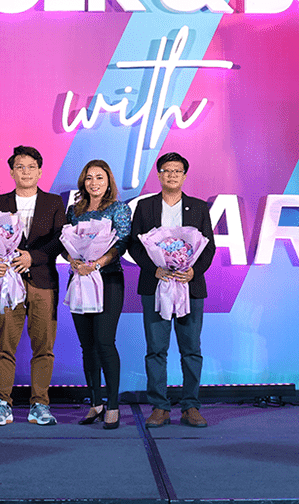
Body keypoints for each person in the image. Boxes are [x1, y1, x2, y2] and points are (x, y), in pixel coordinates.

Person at [128, 152, 215, 428]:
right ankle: (159, 407)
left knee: (191, 350)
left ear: (184, 176)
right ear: (159, 175)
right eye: (167, 170)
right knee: (156, 349)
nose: (172, 175)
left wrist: (193, 271)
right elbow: (134, 245)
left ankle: (191, 406)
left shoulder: (198, 207)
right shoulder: (145, 207)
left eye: (177, 171)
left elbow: (208, 247)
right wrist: (152, 268)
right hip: (156, 285)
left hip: (190, 287)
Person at [0, 145, 66, 426]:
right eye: (20, 167)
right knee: (4, 345)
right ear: (11, 172)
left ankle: (40, 404)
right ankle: (2, 403)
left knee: (44, 346)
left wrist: (33, 257)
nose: (26, 172)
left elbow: (59, 240)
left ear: (40, 172)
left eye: (31, 167)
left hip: (42, 282)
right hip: (7, 282)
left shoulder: (53, 202)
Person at [64, 160, 131, 430]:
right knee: (87, 346)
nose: (94, 183)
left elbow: (122, 242)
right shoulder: (74, 211)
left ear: (108, 181)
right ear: (83, 182)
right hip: (79, 279)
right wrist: (72, 260)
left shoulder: (118, 209)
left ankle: (112, 405)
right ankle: (95, 403)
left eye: (99, 177)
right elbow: (65, 243)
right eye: (89, 177)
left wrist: (98, 263)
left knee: (104, 342)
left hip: (108, 280)